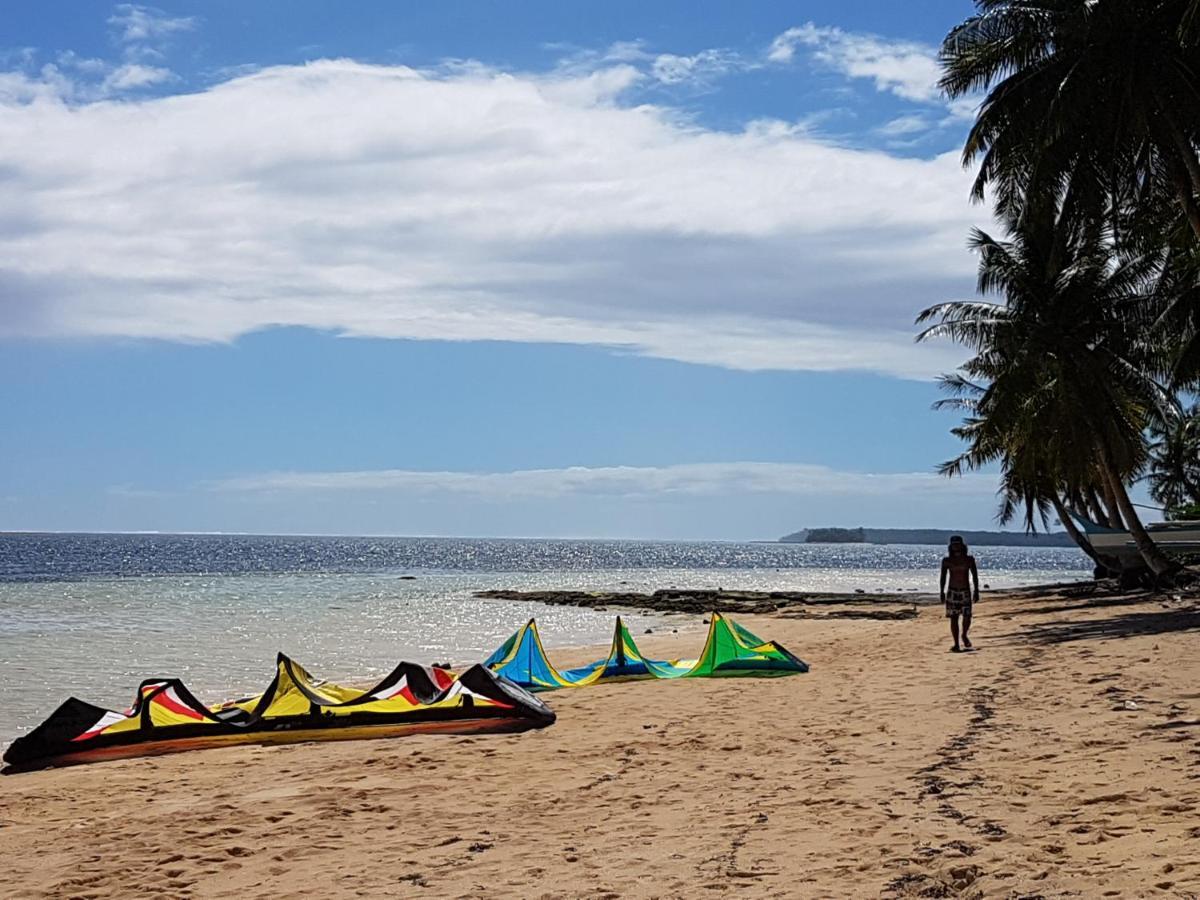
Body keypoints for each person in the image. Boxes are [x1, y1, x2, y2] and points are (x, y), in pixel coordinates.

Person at [940, 535, 979, 652]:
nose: (956, 547)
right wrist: (941, 591)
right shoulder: (947, 561)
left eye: (958, 544)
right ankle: (956, 643)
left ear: (962, 545)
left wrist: (976, 591)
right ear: (951, 547)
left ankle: (964, 635)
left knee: (967, 617)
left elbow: (975, 576)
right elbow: (943, 577)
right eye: (954, 545)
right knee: (954, 618)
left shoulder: (969, 560)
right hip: (952, 591)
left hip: (965, 591)